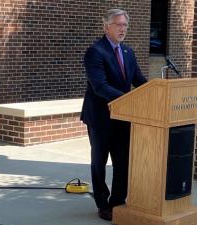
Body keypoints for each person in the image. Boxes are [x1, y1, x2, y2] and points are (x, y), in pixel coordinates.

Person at [80, 8, 147, 221]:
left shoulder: (128, 52)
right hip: (100, 118)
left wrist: (158, 90)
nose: (123, 29)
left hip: (123, 118)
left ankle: (117, 201)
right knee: (99, 162)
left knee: (123, 162)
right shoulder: (95, 52)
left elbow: (139, 80)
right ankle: (102, 203)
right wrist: (127, 101)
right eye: (118, 25)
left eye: (125, 25)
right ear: (106, 26)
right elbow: (100, 86)